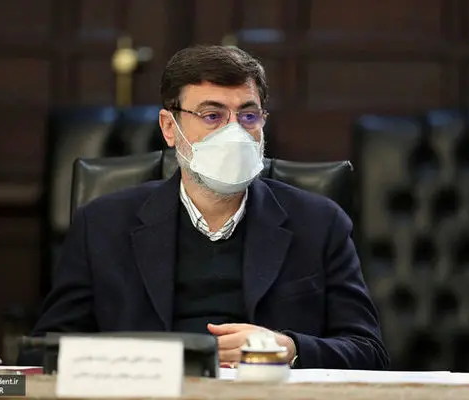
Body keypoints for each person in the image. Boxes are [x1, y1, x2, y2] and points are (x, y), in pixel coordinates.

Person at [25, 45, 389, 370]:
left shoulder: (320, 223)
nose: (235, 133)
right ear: (170, 128)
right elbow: (45, 352)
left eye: (248, 116)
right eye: (212, 116)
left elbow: (368, 352)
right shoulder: (102, 224)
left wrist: (289, 348)